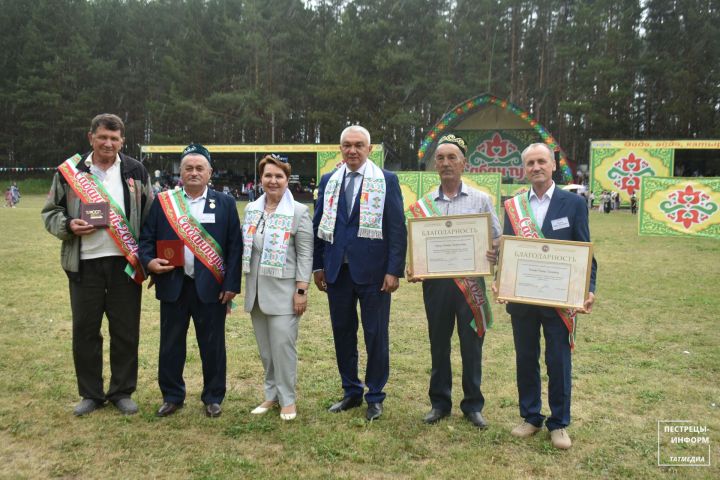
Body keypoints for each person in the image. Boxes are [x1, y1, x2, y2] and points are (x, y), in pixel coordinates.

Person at [41, 113, 153, 416]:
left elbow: (151, 213)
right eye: (102, 137)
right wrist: (68, 224)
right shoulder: (70, 171)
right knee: (85, 330)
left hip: (125, 265)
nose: (108, 143)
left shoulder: (136, 170)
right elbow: (50, 212)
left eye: (114, 139)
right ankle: (90, 394)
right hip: (84, 264)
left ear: (122, 142)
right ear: (91, 137)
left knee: (126, 330)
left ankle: (122, 391)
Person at [495, 142, 597, 450]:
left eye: (541, 161)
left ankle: (559, 424)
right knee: (526, 359)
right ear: (523, 169)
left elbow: (585, 251)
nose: (536, 167)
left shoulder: (574, 203)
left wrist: (588, 289)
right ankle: (530, 417)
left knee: (558, 360)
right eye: (530, 163)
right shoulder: (513, 205)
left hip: (559, 300)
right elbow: (509, 250)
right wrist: (502, 279)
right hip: (523, 299)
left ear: (553, 165)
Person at [139, 143, 242, 418]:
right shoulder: (163, 202)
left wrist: (231, 285)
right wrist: (149, 261)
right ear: (180, 173)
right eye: (188, 168)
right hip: (174, 285)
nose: (194, 172)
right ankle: (172, 396)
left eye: (200, 168)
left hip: (212, 288)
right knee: (171, 344)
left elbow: (234, 247)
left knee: (213, 345)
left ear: (210, 172)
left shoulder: (225, 203)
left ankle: (213, 397)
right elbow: (146, 239)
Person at [406, 134, 501, 428]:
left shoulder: (481, 199)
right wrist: (415, 266)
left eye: (452, 158)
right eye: (441, 158)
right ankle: (440, 403)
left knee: (472, 345)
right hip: (436, 286)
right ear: (435, 165)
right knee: (438, 344)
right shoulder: (424, 204)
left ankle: (473, 405)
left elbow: (497, 238)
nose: (446, 163)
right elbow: (417, 246)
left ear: (464, 163)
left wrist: (494, 250)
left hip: (471, 284)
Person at [312, 125, 407, 421]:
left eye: (358, 145)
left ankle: (375, 395)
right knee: (342, 333)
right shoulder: (329, 180)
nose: (352, 150)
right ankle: (351, 390)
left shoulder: (387, 181)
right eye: (347, 145)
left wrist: (394, 270)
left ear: (369, 149)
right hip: (337, 271)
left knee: (375, 335)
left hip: (374, 274)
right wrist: (317, 265)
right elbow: (318, 226)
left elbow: (396, 229)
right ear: (340, 149)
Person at [242, 155, 313, 421]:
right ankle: (271, 395)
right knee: (266, 351)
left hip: (285, 294)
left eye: (278, 176)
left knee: (283, 348)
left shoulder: (299, 213)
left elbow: (306, 255)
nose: (273, 181)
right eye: (268, 176)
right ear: (261, 179)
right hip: (257, 293)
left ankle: (288, 400)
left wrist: (302, 290)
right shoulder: (251, 209)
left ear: (287, 180)